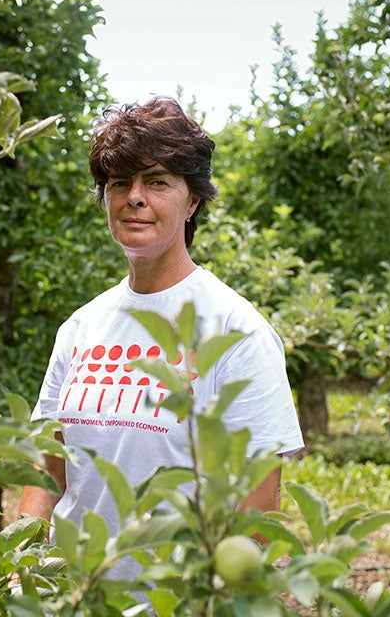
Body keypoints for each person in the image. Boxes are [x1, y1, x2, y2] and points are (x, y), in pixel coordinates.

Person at [17, 97, 304, 581]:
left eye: (157, 182)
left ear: (193, 201)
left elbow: (256, 517)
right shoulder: (82, 327)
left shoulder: (237, 332)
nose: (134, 197)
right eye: (119, 183)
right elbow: (48, 472)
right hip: (70, 600)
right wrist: (16, 570)